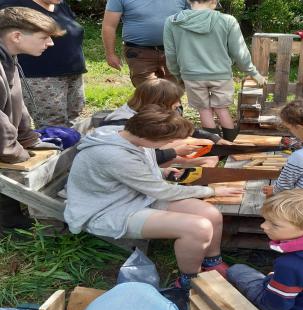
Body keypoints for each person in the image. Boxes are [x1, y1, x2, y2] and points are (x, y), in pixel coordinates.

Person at [64, 107, 242, 296]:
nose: (171, 144)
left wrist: (163, 172)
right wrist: (211, 190)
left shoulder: (131, 136)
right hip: (108, 208)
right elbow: (161, 190)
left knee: (211, 214)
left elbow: (140, 170)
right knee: (198, 228)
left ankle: (212, 263)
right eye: (168, 141)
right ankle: (188, 281)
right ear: (148, 138)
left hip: (137, 194)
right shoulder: (113, 155)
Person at [163, 0, 266, 141]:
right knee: (222, 108)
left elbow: (170, 53)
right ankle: (230, 145)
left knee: (204, 110)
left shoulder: (172, 21)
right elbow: (239, 52)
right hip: (221, 75)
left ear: (188, 0)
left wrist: (177, 74)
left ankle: (215, 147)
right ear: (214, 0)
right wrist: (253, 72)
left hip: (191, 75)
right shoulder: (227, 20)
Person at [0, 7, 64, 229]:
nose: (50, 43)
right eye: (44, 37)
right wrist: (13, 151)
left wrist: (29, 139)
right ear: (16, 36)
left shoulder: (9, 58)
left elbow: (17, 104)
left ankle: (9, 215)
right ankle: (6, 222)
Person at [100, 78, 231, 167]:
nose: (178, 104)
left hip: (154, 157)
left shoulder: (153, 112)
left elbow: (180, 127)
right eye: (174, 101)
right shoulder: (122, 123)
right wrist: (174, 152)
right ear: (158, 102)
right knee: (195, 145)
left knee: (206, 145)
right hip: (138, 164)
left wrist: (214, 138)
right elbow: (137, 157)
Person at [0, 0, 86, 128]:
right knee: (53, 125)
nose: (51, 42)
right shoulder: (12, 4)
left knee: (74, 121)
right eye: (45, 37)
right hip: (40, 74)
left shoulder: (61, 5)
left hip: (72, 69)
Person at [102, 0, 188, 87]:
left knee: (174, 91)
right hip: (139, 53)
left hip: (174, 52)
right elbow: (109, 26)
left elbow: (195, 18)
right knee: (148, 92)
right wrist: (110, 54)